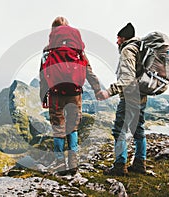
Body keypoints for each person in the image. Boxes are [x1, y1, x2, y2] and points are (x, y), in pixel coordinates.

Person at [39, 16, 102, 175]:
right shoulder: (78, 49)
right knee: (72, 127)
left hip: (55, 94)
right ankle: (73, 164)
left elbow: (43, 75)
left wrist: (43, 97)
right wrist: (97, 89)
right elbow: (88, 71)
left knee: (58, 128)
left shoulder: (48, 50)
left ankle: (60, 165)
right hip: (75, 93)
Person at [97, 23, 147, 176]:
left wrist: (108, 92)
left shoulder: (127, 50)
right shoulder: (140, 49)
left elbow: (127, 78)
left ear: (123, 38)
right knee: (138, 128)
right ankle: (140, 163)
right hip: (141, 96)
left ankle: (120, 165)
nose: (116, 41)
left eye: (118, 38)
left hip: (130, 97)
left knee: (119, 131)